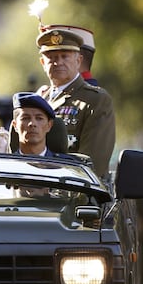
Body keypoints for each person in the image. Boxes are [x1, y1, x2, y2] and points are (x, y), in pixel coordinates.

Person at [35, 24, 115, 178]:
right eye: (51, 57)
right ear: (43, 63)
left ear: (78, 61)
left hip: (77, 195)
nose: (58, 62)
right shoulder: (39, 100)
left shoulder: (95, 100)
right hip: (37, 191)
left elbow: (92, 164)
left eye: (64, 56)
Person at [0, 92, 63, 156]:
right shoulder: (5, 165)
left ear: (49, 125)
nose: (32, 123)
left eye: (39, 118)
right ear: (15, 125)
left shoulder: (65, 166)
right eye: (25, 118)